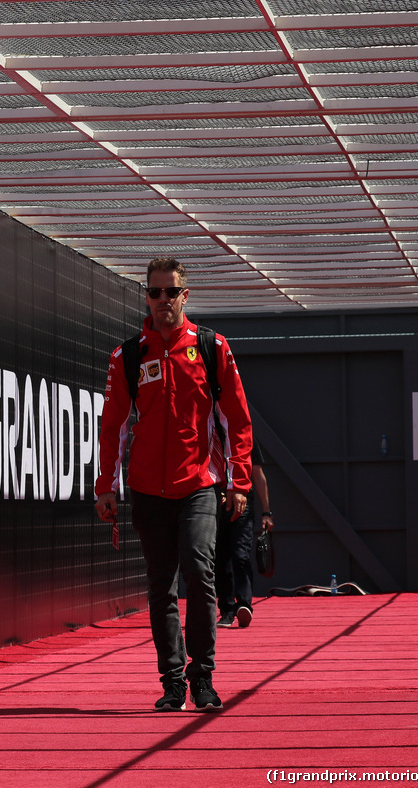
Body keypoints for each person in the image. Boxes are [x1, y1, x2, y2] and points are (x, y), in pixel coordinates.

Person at [94, 257, 253, 712]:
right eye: (154, 292)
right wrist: (106, 486)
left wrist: (238, 482)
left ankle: (202, 678)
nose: (162, 300)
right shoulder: (127, 356)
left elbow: (237, 420)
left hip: (201, 484)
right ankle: (172, 683)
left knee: (200, 575)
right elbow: (113, 427)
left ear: (185, 296)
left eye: (170, 292)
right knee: (161, 584)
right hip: (146, 489)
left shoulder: (211, 346)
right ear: (146, 296)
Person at [216, 440, 273, 628]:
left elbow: (258, 475)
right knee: (219, 559)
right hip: (215, 503)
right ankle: (226, 610)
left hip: (243, 504)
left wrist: (266, 513)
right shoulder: (207, 432)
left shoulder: (245, 437)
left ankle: (244, 606)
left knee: (240, 555)